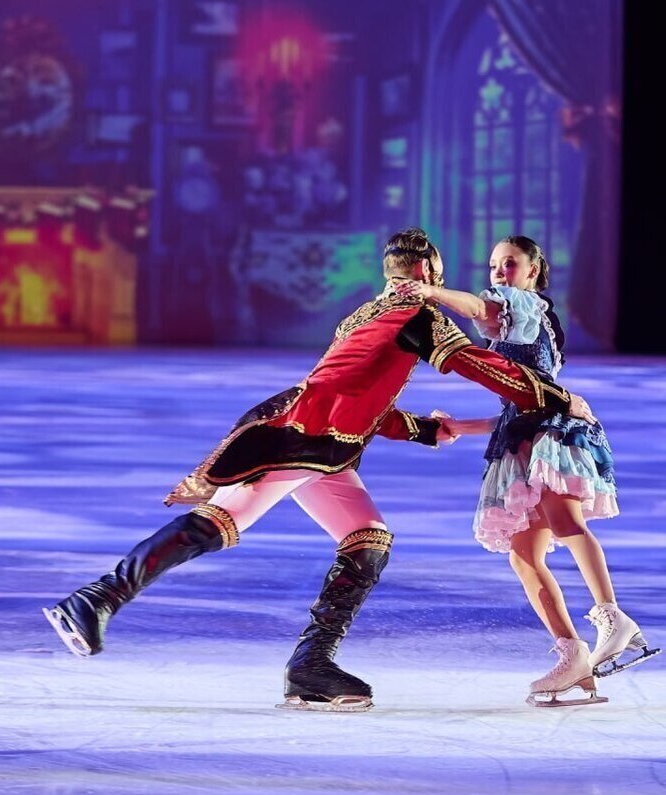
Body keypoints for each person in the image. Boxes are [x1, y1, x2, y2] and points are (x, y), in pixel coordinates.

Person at [43, 227, 597, 713]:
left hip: (327, 447)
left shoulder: (364, 315)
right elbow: (477, 364)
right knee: (217, 523)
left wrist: (425, 430)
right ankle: (97, 598)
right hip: (300, 437)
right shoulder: (418, 315)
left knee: (368, 541)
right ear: (427, 273)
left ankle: (312, 665)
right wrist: (556, 397)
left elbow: (357, 394)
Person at [396, 235, 660, 707]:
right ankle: (573, 655)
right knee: (523, 555)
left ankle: (612, 615)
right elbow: (512, 405)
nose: (500, 272)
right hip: (522, 436)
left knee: (565, 522)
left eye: (510, 263)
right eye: (494, 264)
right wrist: (460, 425)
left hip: (549, 436)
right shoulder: (519, 322)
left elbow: (479, 308)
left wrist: (431, 292)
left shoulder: (521, 305)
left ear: (533, 270)